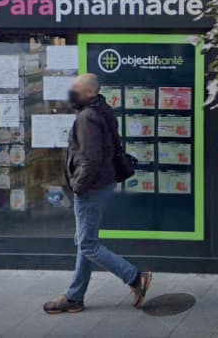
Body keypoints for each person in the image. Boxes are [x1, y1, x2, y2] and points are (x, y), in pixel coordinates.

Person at [43, 73, 153, 314]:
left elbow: (91, 159)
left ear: (90, 93)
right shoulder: (102, 109)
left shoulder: (88, 117)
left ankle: (135, 278)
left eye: (76, 90)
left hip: (91, 188)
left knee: (88, 244)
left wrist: (78, 186)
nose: (71, 94)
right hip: (101, 184)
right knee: (84, 241)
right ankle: (74, 296)